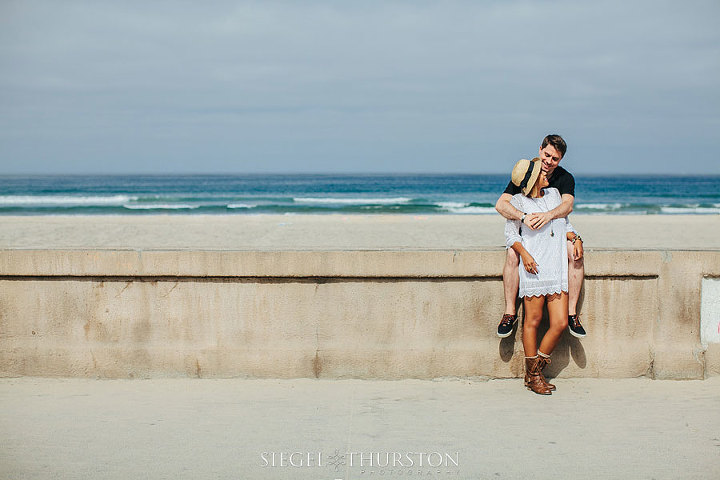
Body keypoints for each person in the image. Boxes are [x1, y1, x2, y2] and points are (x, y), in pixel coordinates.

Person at [504, 158, 584, 394]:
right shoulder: (518, 202)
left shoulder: (554, 195)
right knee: (533, 321)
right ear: (531, 180)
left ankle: (533, 372)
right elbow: (511, 236)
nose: (547, 173)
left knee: (559, 323)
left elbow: (565, 224)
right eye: (541, 172)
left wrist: (576, 239)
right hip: (534, 268)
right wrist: (525, 256)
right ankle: (534, 376)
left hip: (556, 267)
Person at [495, 134, 586, 339]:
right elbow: (501, 205)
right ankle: (510, 312)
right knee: (511, 255)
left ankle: (572, 313)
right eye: (547, 155)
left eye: (554, 158)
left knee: (575, 253)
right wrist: (524, 217)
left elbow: (567, 207)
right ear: (540, 150)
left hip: (553, 229)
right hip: (524, 233)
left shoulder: (564, 178)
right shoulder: (526, 173)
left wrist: (552, 219)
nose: (549, 162)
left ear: (560, 159)